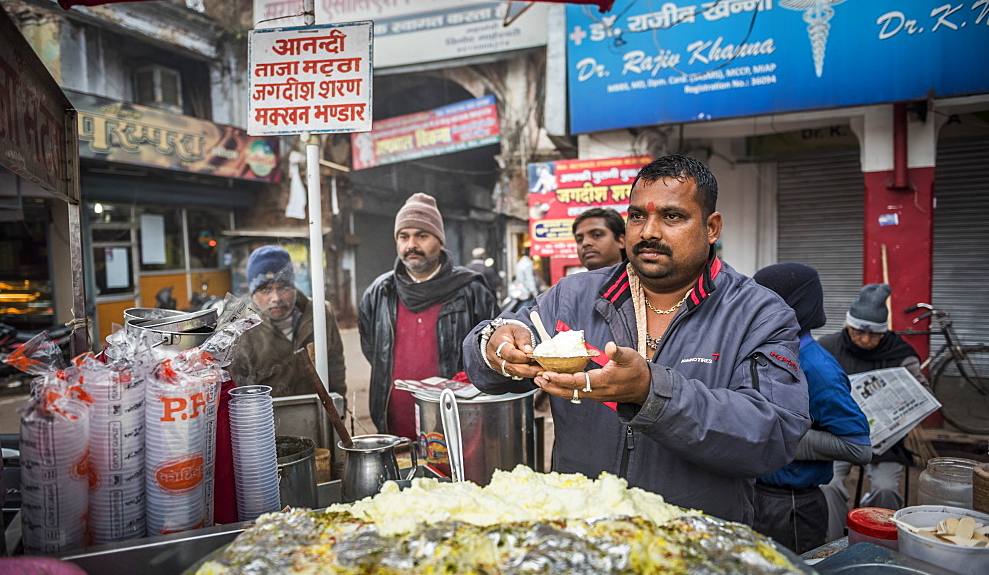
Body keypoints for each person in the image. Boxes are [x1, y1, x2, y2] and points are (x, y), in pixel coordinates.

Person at [463, 154, 811, 523]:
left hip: (694, 543)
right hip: (584, 532)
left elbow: (772, 434)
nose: (648, 232)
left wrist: (651, 392)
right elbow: (487, 359)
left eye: (672, 216)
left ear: (712, 227)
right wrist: (491, 347)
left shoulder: (758, 314)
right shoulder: (571, 296)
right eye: (638, 216)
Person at [751, 262, 872, 553]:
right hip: (756, 494)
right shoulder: (765, 351)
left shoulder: (818, 370)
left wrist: (782, 435)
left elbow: (859, 447)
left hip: (792, 506)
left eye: (758, 300)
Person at [358, 193, 498, 439]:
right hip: (394, 426)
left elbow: (490, 354)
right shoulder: (379, 292)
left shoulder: (472, 290)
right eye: (404, 237)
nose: (411, 244)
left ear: (440, 241)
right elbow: (373, 349)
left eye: (421, 235)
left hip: (457, 422)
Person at [818, 283, 930, 539]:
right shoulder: (828, 347)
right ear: (848, 325)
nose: (866, 340)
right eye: (858, 332)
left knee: (886, 487)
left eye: (874, 335)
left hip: (884, 441)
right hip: (837, 435)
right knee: (828, 484)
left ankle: (879, 544)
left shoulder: (901, 353)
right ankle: (833, 543)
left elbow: (923, 393)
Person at [229, 245, 346, 398]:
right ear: (253, 294)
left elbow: (335, 368)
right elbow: (238, 391)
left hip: (317, 414)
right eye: (265, 289)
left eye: (283, 287)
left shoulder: (319, 313)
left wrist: (338, 409)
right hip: (267, 419)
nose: (276, 298)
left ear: (293, 287)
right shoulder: (241, 326)